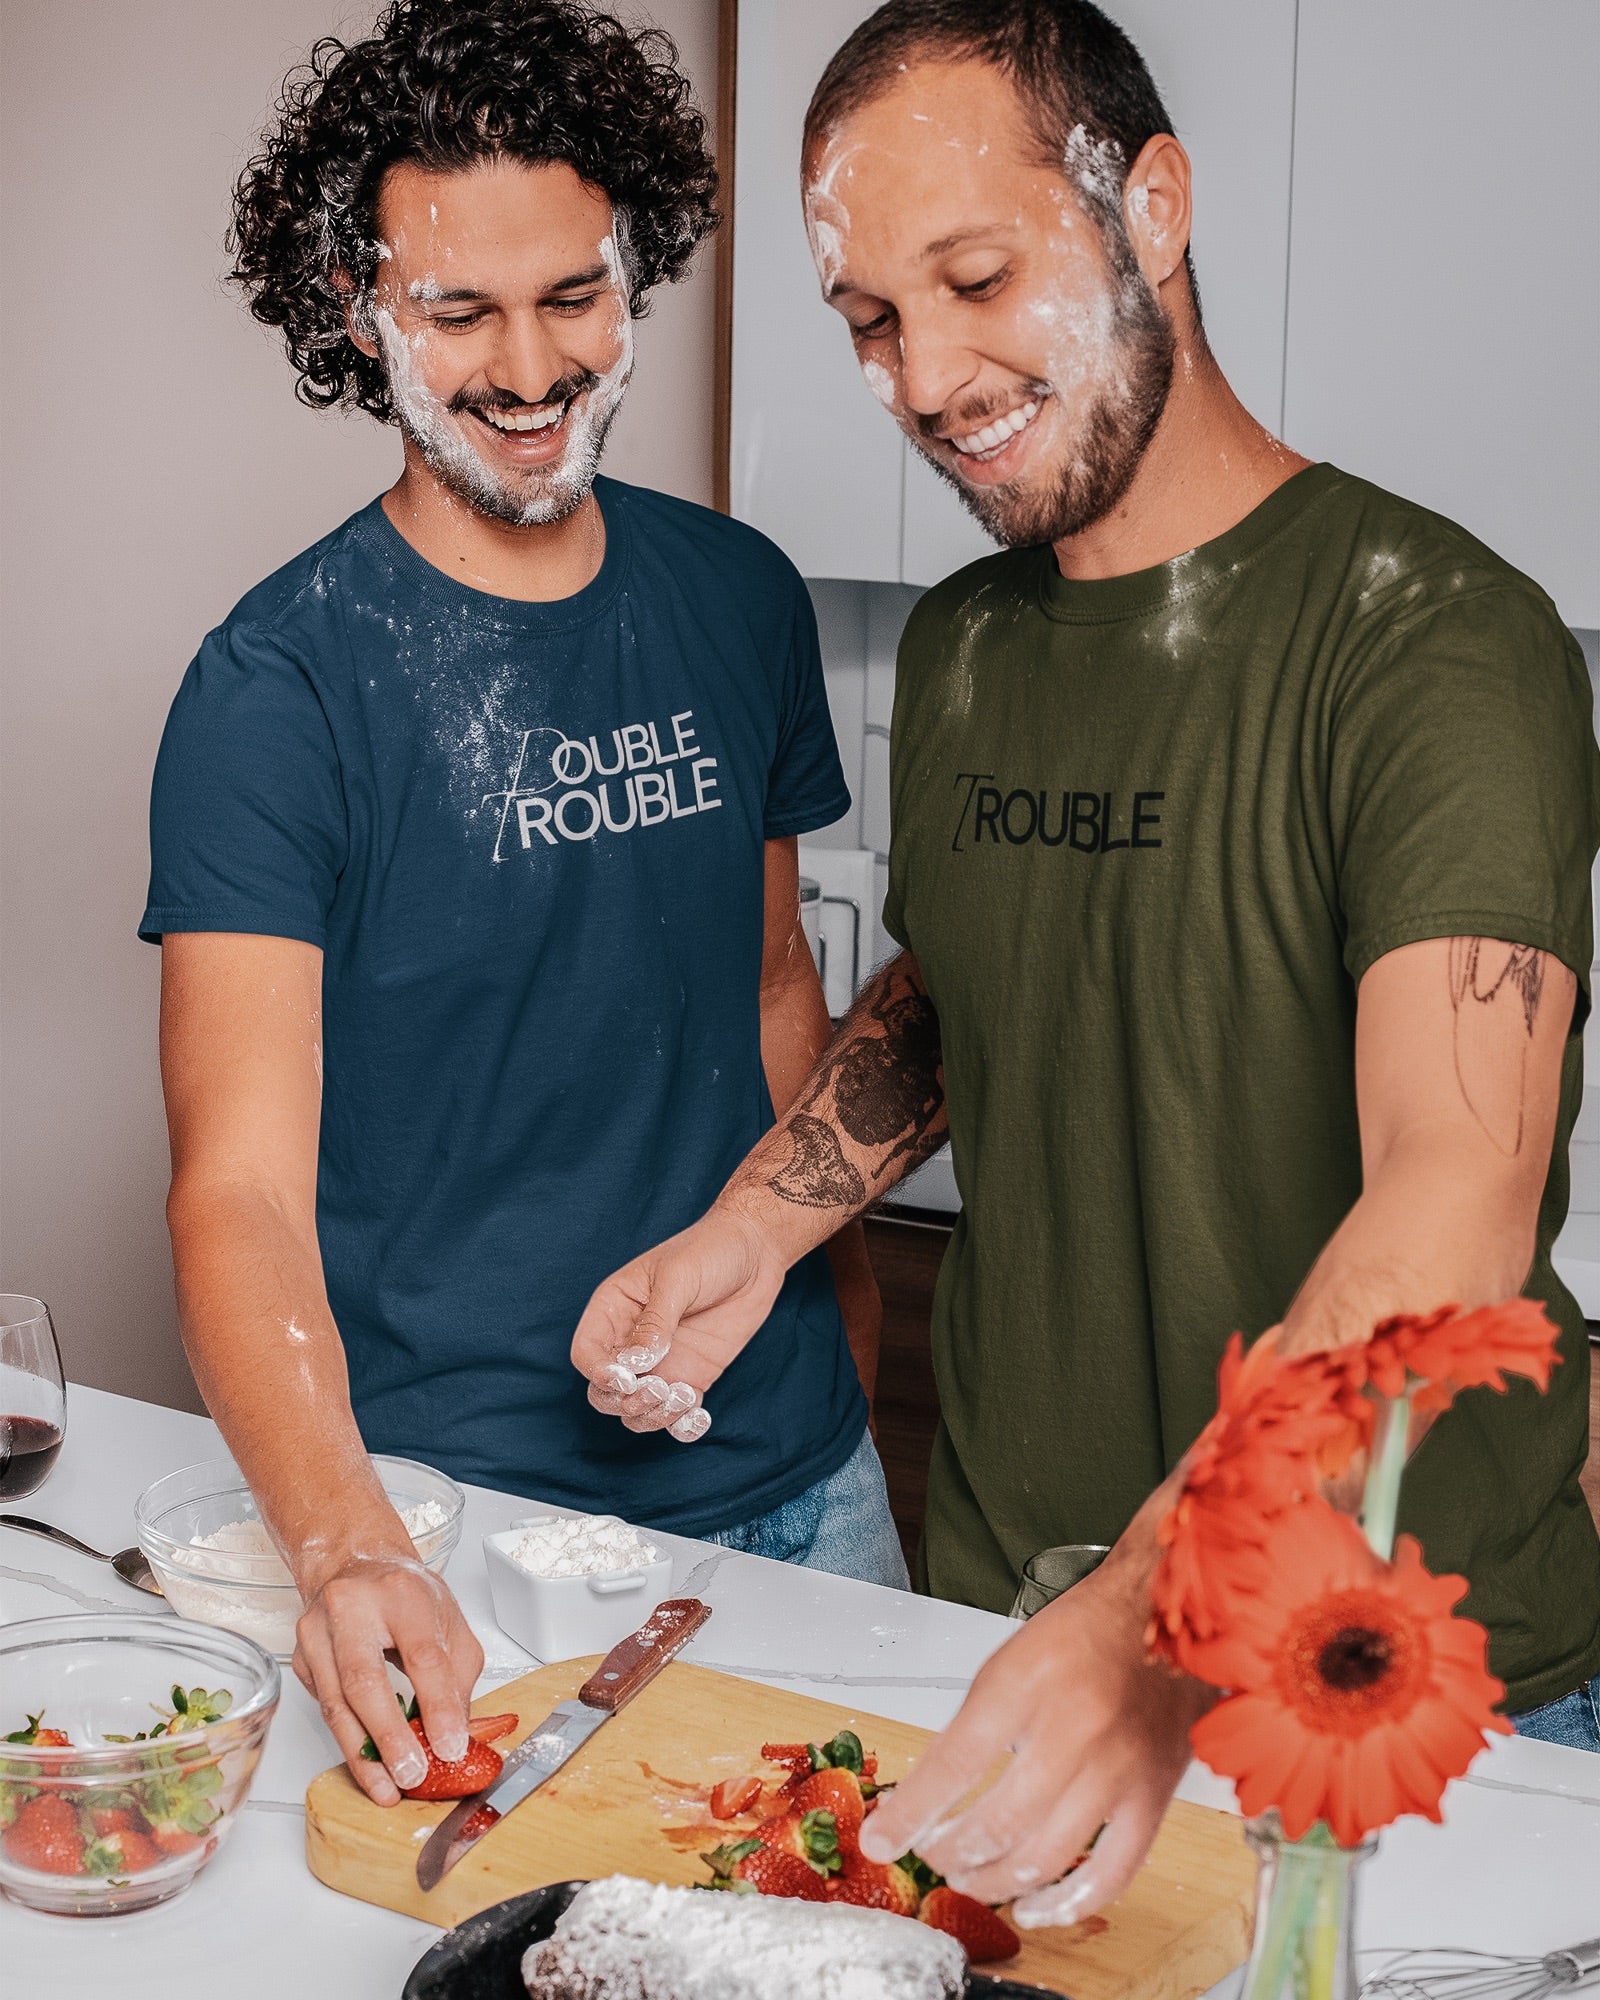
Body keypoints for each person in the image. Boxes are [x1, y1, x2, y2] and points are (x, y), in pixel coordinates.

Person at [571, 0, 1600, 1924]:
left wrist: (1155, 1616)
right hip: (1003, 1645)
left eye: (977, 278)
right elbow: (966, 989)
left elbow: (1457, 1195)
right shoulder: (964, 653)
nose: (926, 374)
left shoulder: (1437, 645)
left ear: (1155, 207)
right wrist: (760, 1225)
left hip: (1391, 1707)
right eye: (872, 319)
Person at [142, 0, 898, 1811]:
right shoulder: (278, 689)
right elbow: (235, 1186)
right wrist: (343, 1547)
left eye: (572, 295)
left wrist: (840, 1351)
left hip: (807, 1491)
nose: (528, 366)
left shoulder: (737, 596)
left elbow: (778, 992)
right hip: (463, 1533)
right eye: (457, 311)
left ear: (636, 266)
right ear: (358, 312)